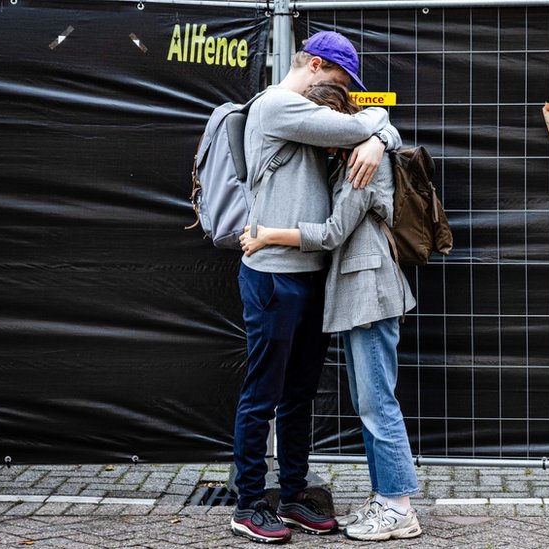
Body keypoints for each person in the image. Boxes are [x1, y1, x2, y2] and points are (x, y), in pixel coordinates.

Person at [229, 31, 402, 545]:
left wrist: (377, 136)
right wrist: (375, 135)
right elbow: (362, 122)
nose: (345, 91)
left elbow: (367, 124)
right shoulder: (277, 104)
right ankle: (248, 502)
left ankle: (295, 492)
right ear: (316, 64)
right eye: (340, 79)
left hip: (310, 273)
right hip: (273, 273)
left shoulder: (306, 112)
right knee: (263, 391)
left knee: (300, 393)